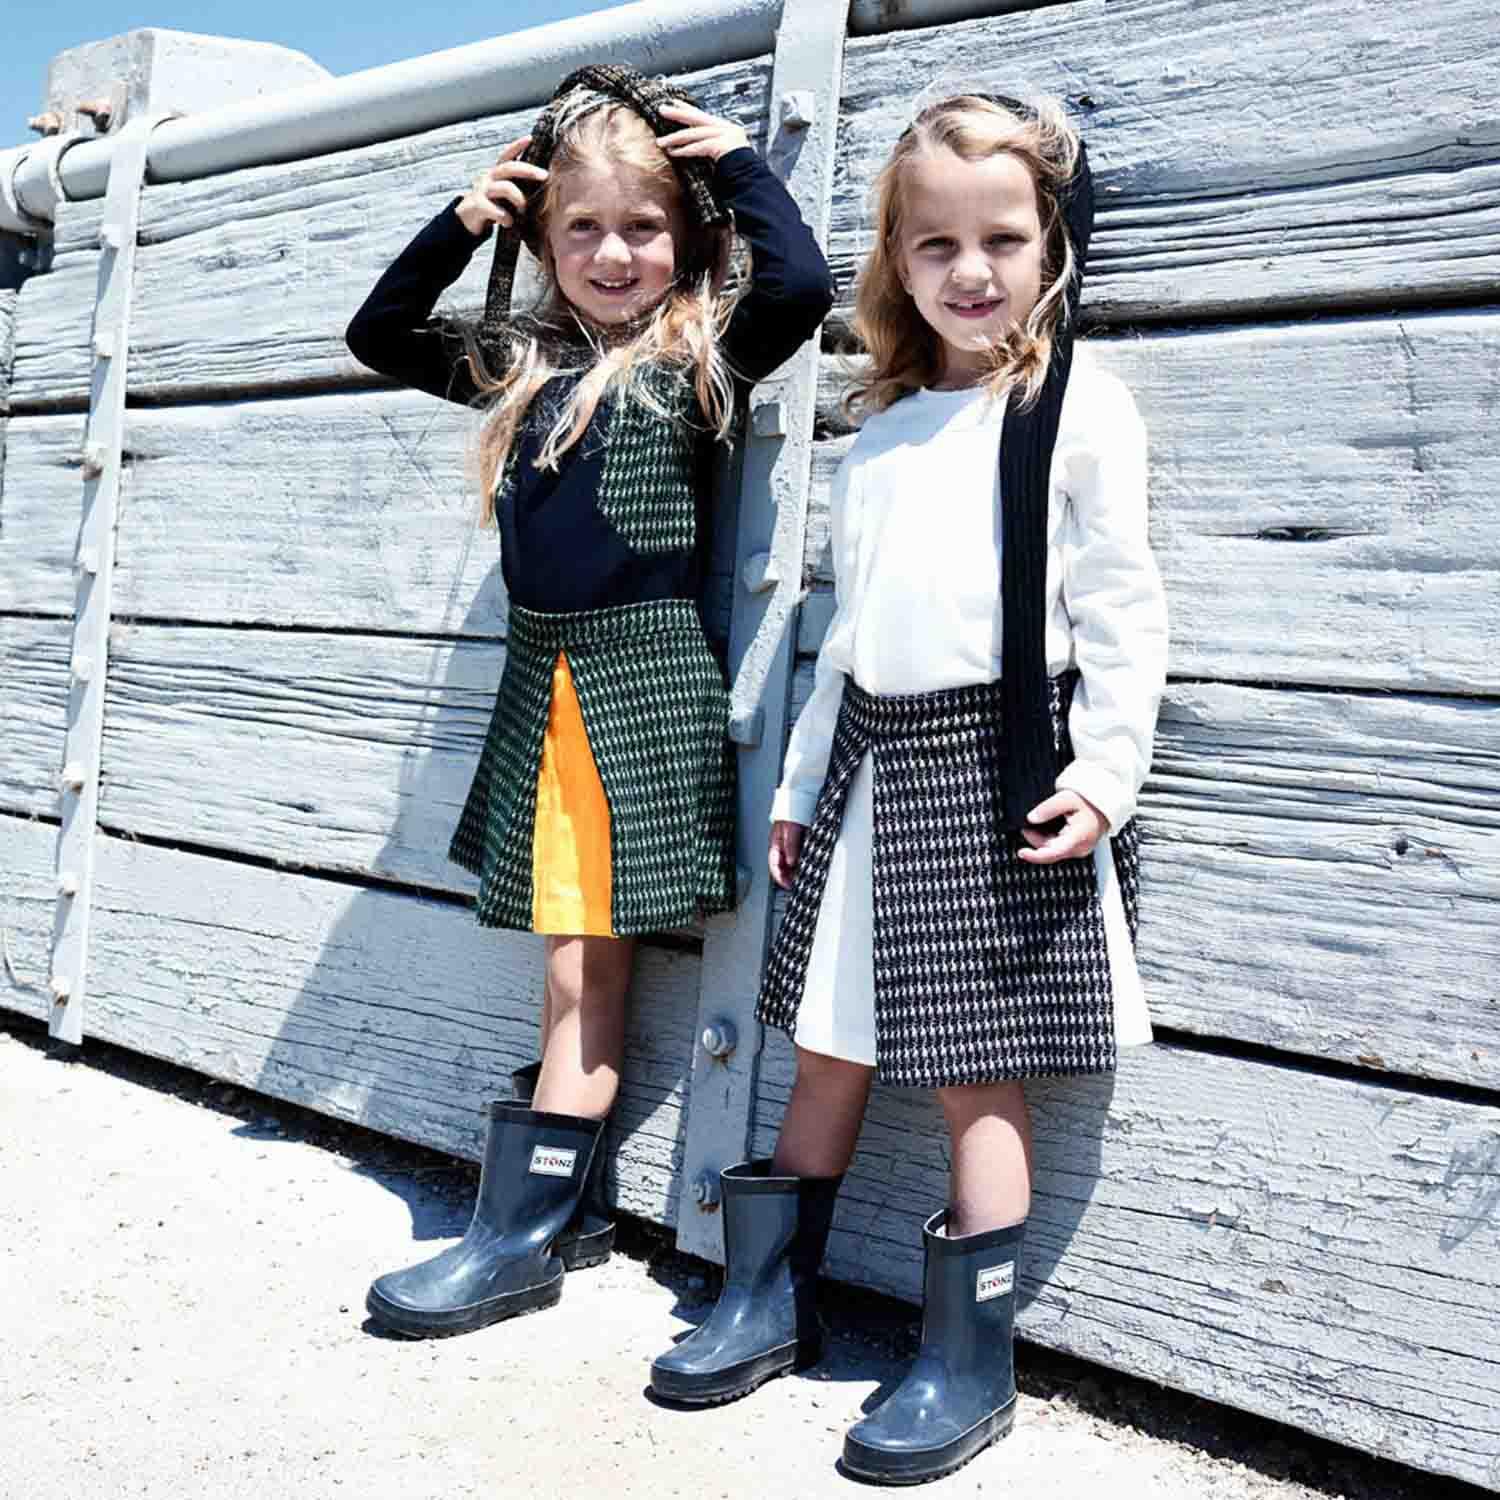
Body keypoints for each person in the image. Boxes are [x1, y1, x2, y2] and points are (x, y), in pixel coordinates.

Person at [648, 92, 1168, 1485]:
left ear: (1055, 241)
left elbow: (1122, 611)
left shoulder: (1074, 410)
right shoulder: (876, 436)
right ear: (896, 260)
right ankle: (767, 1299)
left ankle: (964, 1357)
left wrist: (1108, 772)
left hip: (998, 775)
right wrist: (802, 785)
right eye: (934, 243)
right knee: (824, 1045)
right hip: (873, 772)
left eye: (1003, 236)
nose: (971, 269)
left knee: (965, 1069)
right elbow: (840, 634)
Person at [344, 64, 834, 1339]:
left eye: (643, 227)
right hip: (544, 681)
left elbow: (798, 286)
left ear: (686, 241)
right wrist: (463, 221)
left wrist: (734, 168)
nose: (614, 255)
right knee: (568, 962)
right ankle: (561, 1209)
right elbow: (380, 334)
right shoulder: (520, 366)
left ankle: (520, 1234)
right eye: (582, 229)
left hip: (637, 684)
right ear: (542, 237)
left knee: (582, 970)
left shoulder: (695, 361)